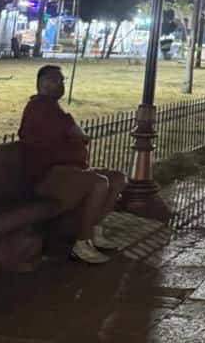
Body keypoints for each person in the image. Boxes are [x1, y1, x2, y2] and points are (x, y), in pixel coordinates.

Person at [18, 65, 125, 265]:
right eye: (56, 81)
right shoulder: (39, 107)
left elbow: (75, 133)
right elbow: (78, 134)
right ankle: (81, 243)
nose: (61, 85)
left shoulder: (54, 108)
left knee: (117, 179)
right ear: (43, 84)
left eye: (62, 81)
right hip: (48, 176)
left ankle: (95, 230)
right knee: (99, 183)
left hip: (71, 170)